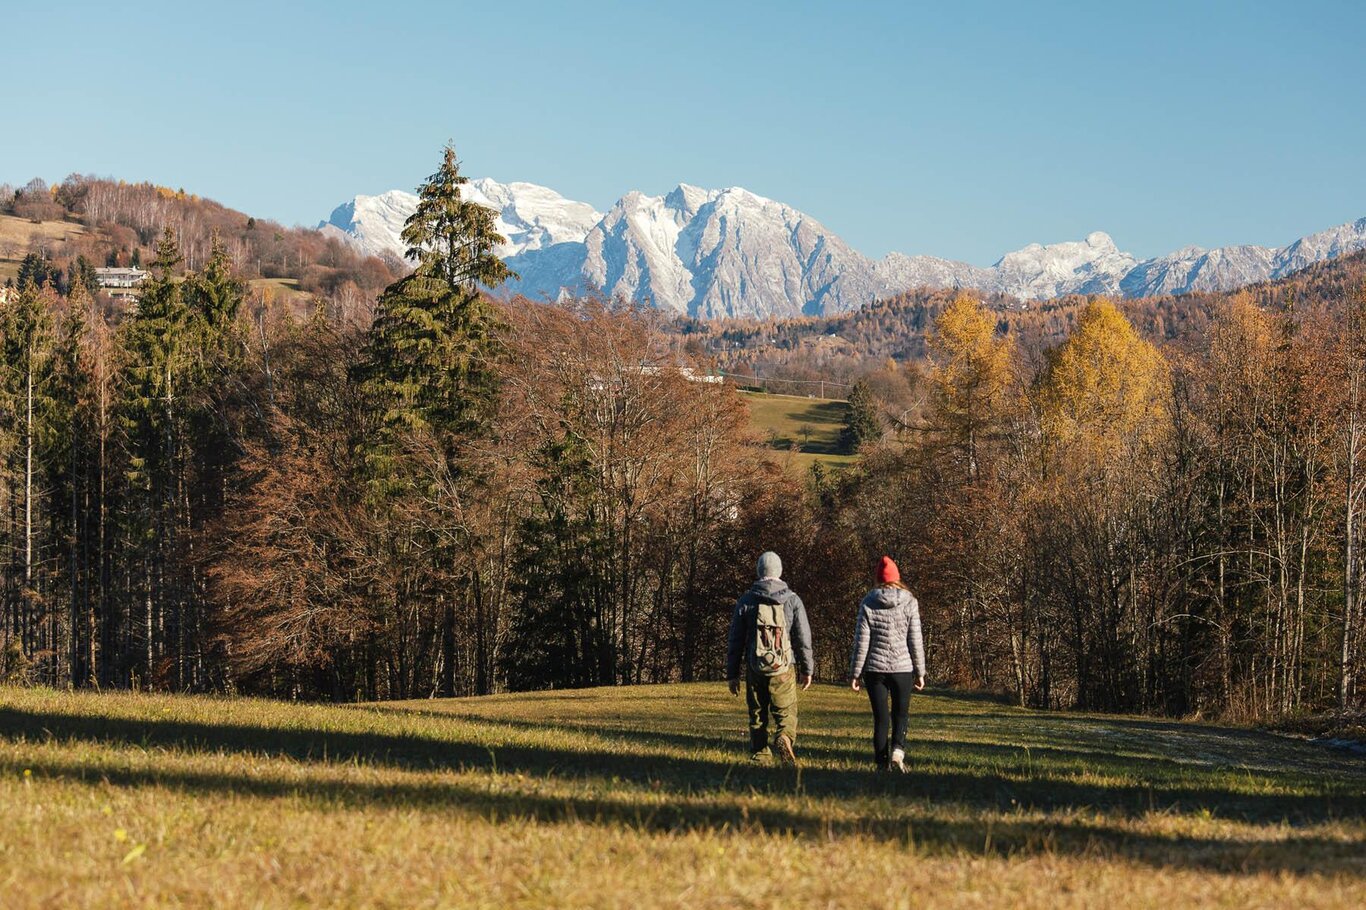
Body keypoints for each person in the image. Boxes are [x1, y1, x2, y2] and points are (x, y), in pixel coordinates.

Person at [726, 551, 814, 763]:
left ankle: (761, 755)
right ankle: (784, 735)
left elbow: (735, 639)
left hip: (755, 666)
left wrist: (732, 673)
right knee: (786, 710)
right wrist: (807, 668)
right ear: (780, 571)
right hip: (783, 667)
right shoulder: (792, 600)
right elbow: (803, 636)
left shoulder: (746, 600)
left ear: (758, 571)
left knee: (757, 713)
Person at [848, 555, 925, 771]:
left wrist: (855, 673)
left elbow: (861, 642)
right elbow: (915, 639)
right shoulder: (910, 602)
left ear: (878, 579)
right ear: (896, 578)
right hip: (902, 668)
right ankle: (897, 754)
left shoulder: (868, 602)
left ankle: (881, 763)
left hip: (875, 669)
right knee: (900, 715)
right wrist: (920, 671)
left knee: (880, 718)